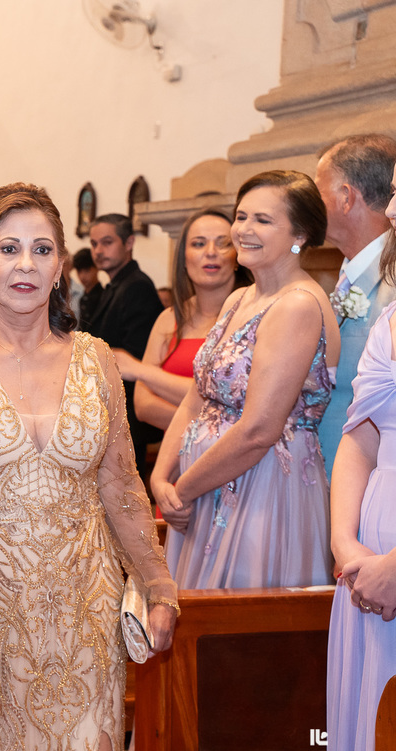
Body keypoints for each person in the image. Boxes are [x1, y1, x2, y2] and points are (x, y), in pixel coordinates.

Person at [0, 183, 176, 751]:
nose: (26, 265)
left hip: (83, 600)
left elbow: (120, 482)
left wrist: (157, 584)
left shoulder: (96, 360)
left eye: (42, 249)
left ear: (61, 264)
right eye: (9, 249)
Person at [152, 171, 338, 589]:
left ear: (301, 234)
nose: (244, 230)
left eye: (263, 220)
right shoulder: (239, 297)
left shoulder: (297, 305)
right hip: (204, 488)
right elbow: (195, 400)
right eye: (241, 216)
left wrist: (183, 486)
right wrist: (161, 478)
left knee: (234, 636)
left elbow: (258, 429)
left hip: (262, 490)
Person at [326, 169, 396, 751]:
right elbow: (360, 436)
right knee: (368, 742)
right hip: (366, 570)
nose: (393, 209)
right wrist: (348, 549)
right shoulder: (391, 317)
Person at [113, 210, 250, 431]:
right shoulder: (169, 319)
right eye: (198, 244)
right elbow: (143, 405)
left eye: (223, 244)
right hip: (176, 457)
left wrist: (141, 371)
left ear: (238, 257)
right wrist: (211, 426)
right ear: (183, 258)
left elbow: (235, 400)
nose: (211, 252)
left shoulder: (252, 316)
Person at [315, 134, 396, 478]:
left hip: (371, 474)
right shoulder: (344, 275)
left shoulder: (391, 284)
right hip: (325, 471)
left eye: (317, 196)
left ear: (346, 197)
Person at [86, 213, 165, 476]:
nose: (98, 251)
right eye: (94, 243)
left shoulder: (137, 287)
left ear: (129, 242)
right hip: (110, 412)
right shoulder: (116, 285)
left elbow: (135, 356)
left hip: (126, 413)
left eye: (107, 242)